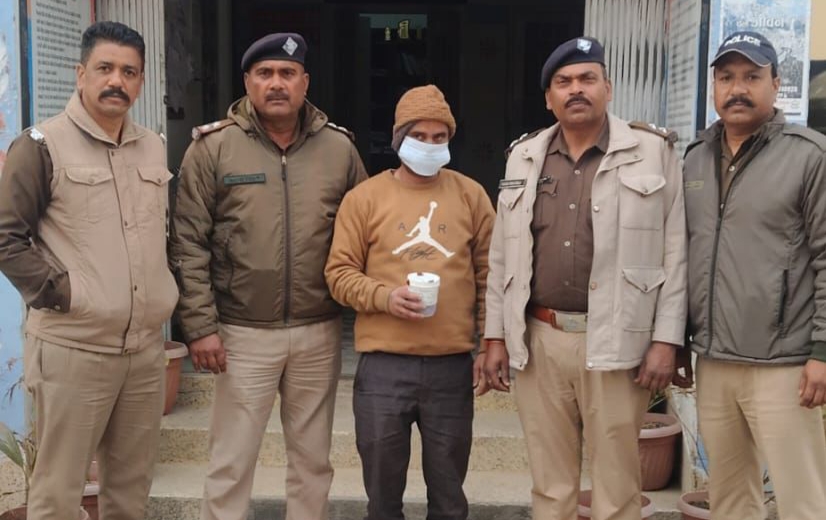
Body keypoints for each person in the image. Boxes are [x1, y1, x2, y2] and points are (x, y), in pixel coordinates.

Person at [482, 37, 687, 520]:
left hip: (618, 340)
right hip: (540, 339)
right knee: (550, 485)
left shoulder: (652, 152)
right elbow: (502, 256)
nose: (576, 89)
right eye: (564, 82)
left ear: (607, 88)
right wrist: (494, 336)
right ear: (548, 98)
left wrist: (666, 341)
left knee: (617, 485)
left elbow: (676, 253)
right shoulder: (524, 156)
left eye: (587, 79)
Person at [169, 32, 367, 520]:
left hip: (318, 331)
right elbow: (187, 243)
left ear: (305, 82)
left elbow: (368, 232)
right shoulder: (214, 148)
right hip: (240, 334)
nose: (276, 83)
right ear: (247, 82)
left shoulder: (339, 149)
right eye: (265, 73)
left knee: (313, 463)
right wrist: (200, 327)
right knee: (231, 462)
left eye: (287, 73)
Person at [0, 21, 177, 520]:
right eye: (105, 68)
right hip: (74, 349)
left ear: (141, 81)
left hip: (144, 352)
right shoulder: (40, 145)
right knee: (58, 494)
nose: (116, 81)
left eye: (129, 72)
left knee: (130, 492)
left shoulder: (153, 145)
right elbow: (7, 238)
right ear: (81, 74)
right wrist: (66, 294)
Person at [325, 84, 495, 520]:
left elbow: (490, 275)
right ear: (399, 138)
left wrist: (489, 342)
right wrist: (385, 297)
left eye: (440, 137)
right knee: (382, 498)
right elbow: (338, 274)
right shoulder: (364, 199)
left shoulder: (471, 196)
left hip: (451, 367)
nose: (430, 145)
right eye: (419, 136)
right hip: (384, 367)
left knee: (450, 497)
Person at [678, 31, 826, 520]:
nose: (737, 89)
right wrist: (679, 340)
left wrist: (822, 352)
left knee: (803, 500)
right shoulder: (695, 158)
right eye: (726, 77)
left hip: (785, 365)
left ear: (777, 84)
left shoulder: (810, 157)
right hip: (715, 360)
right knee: (730, 499)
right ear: (714, 87)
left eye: (751, 77)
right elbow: (685, 257)